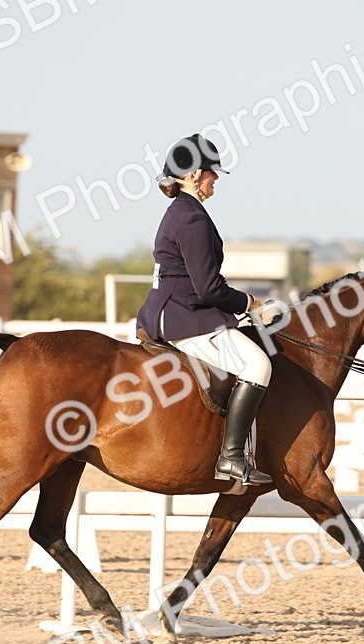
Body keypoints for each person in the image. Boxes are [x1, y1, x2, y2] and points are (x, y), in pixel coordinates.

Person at [135, 133, 273, 485]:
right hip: (184, 317)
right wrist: (251, 303)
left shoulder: (181, 211)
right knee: (258, 365)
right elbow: (209, 288)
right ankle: (231, 457)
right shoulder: (191, 217)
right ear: (194, 174)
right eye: (212, 173)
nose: (215, 181)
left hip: (169, 310)